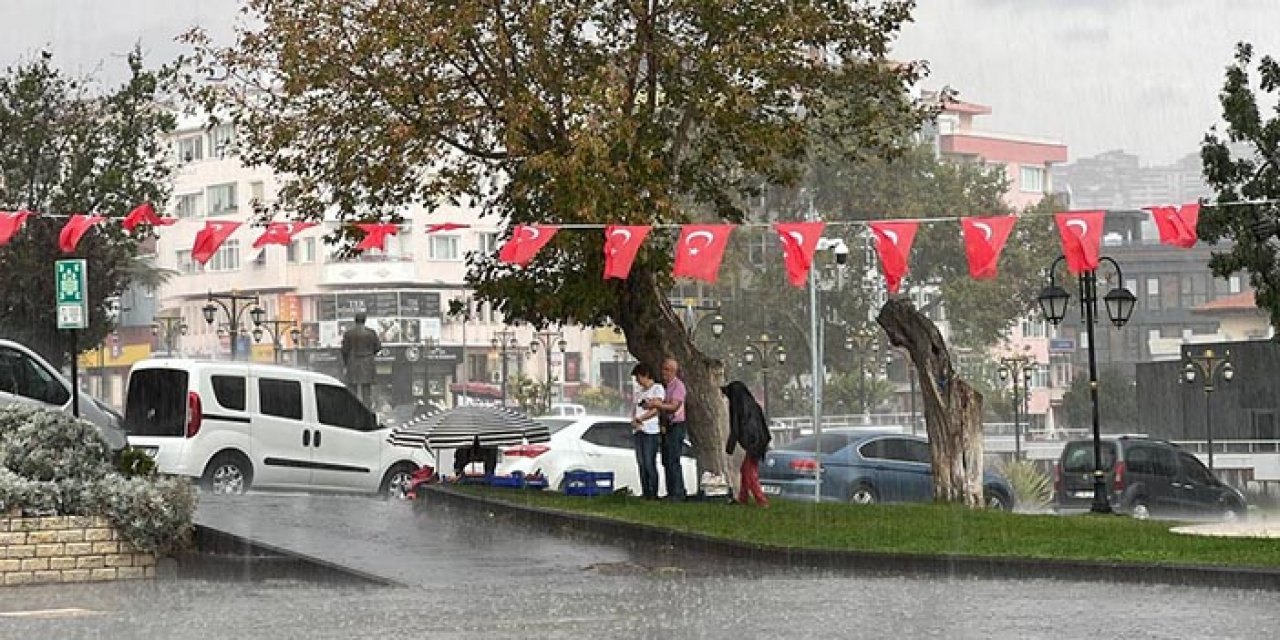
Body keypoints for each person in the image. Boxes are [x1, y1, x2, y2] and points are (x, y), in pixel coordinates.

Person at [722, 381, 772, 507]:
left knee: (750, 472)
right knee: (745, 469)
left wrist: (729, 448)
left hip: (753, 443)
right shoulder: (753, 405)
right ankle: (743, 498)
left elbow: (736, 429)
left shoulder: (739, 408)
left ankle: (761, 500)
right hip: (760, 442)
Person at [644, 357, 687, 500]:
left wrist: (657, 405)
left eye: (667, 370)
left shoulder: (678, 386)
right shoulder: (666, 387)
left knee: (673, 459)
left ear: (674, 371)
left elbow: (674, 406)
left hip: (677, 426)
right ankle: (671, 491)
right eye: (663, 369)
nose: (664, 373)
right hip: (667, 426)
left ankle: (678, 492)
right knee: (666, 459)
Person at [630, 362, 665, 500]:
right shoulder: (639, 392)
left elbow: (656, 409)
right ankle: (645, 491)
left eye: (638, 377)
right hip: (639, 430)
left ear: (645, 375)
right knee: (641, 462)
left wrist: (641, 419)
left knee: (649, 462)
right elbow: (634, 409)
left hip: (650, 430)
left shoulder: (657, 389)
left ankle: (653, 492)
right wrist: (634, 420)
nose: (638, 381)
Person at [340, 311, 381, 405]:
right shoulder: (371, 333)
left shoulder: (349, 334)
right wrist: (370, 354)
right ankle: (367, 411)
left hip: (353, 362)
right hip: (367, 363)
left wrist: (346, 363)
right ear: (365, 320)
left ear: (355, 320)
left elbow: (344, 350)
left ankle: (354, 412)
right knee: (367, 391)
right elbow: (378, 347)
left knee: (352, 391)